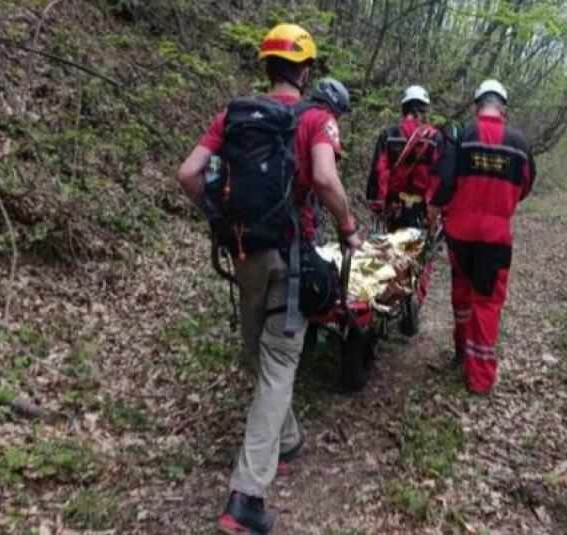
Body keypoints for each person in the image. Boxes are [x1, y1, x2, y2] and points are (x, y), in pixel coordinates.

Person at [175, 23, 360, 534]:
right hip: (290, 257)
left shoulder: (233, 116)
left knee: (261, 353)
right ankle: (246, 498)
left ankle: (288, 440)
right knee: (278, 366)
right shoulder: (318, 119)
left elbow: (188, 174)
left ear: (265, 66)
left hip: (243, 252)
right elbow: (324, 178)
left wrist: (219, 218)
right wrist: (348, 228)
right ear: (306, 71)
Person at [430, 79, 535, 394]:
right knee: (487, 303)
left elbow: (443, 182)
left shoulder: (461, 135)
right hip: (495, 237)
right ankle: (479, 379)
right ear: (503, 107)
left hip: (459, 233)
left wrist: (437, 209)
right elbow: (526, 185)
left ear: (478, 105)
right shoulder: (519, 143)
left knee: (462, 293)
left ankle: (461, 351)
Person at [365, 85, 442, 314]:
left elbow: (379, 171)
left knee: (391, 251)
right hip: (422, 209)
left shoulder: (389, 135)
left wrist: (377, 204)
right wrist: (435, 208)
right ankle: (415, 296)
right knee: (424, 254)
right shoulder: (435, 138)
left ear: (404, 108)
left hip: (394, 207)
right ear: (425, 110)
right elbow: (438, 177)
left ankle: (390, 298)